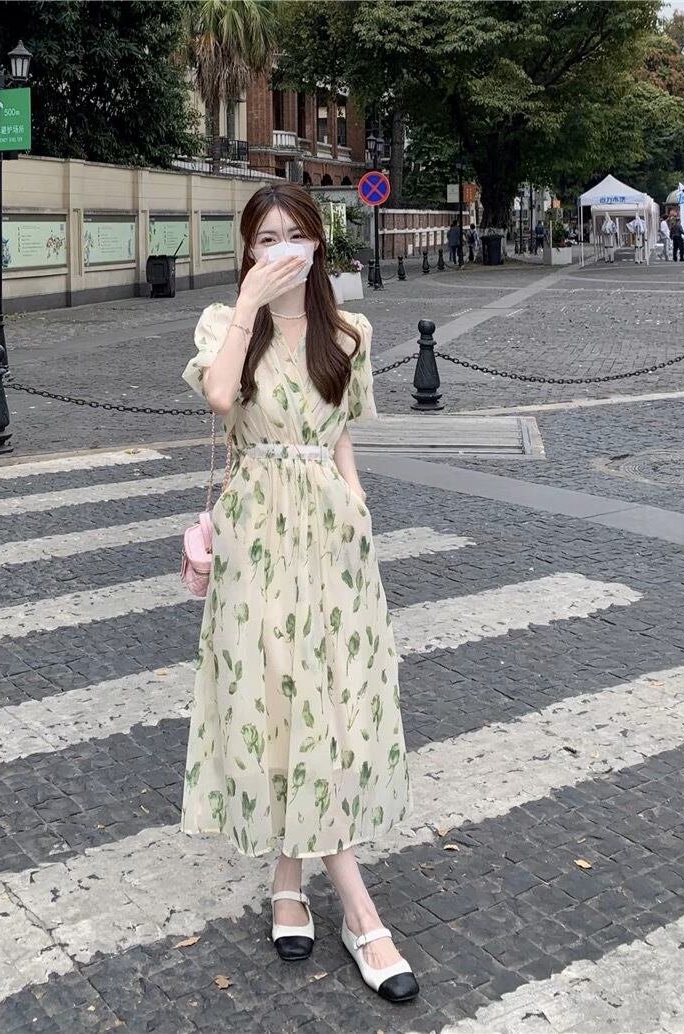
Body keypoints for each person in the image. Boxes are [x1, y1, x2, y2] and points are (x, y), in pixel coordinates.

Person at [180, 182, 418, 1004]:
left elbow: (341, 429)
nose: (281, 249)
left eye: (294, 236)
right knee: (283, 696)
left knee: (328, 703)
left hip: (332, 539)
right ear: (247, 249)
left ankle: (289, 879)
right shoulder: (224, 325)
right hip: (257, 537)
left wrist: (358, 507)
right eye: (265, 238)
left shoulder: (349, 332)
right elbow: (220, 397)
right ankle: (361, 914)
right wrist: (250, 300)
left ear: (318, 243)